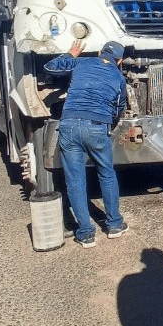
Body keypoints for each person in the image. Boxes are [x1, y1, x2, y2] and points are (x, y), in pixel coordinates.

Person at [44, 39, 130, 248]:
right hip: (97, 126)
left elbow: (50, 67)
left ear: (100, 52)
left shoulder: (81, 63)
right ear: (119, 61)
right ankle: (114, 225)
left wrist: (71, 54)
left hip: (70, 124)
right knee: (106, 173)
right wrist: (109, 121)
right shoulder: (119, 78)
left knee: (75, 179)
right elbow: (120, 108)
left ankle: (85, 234)